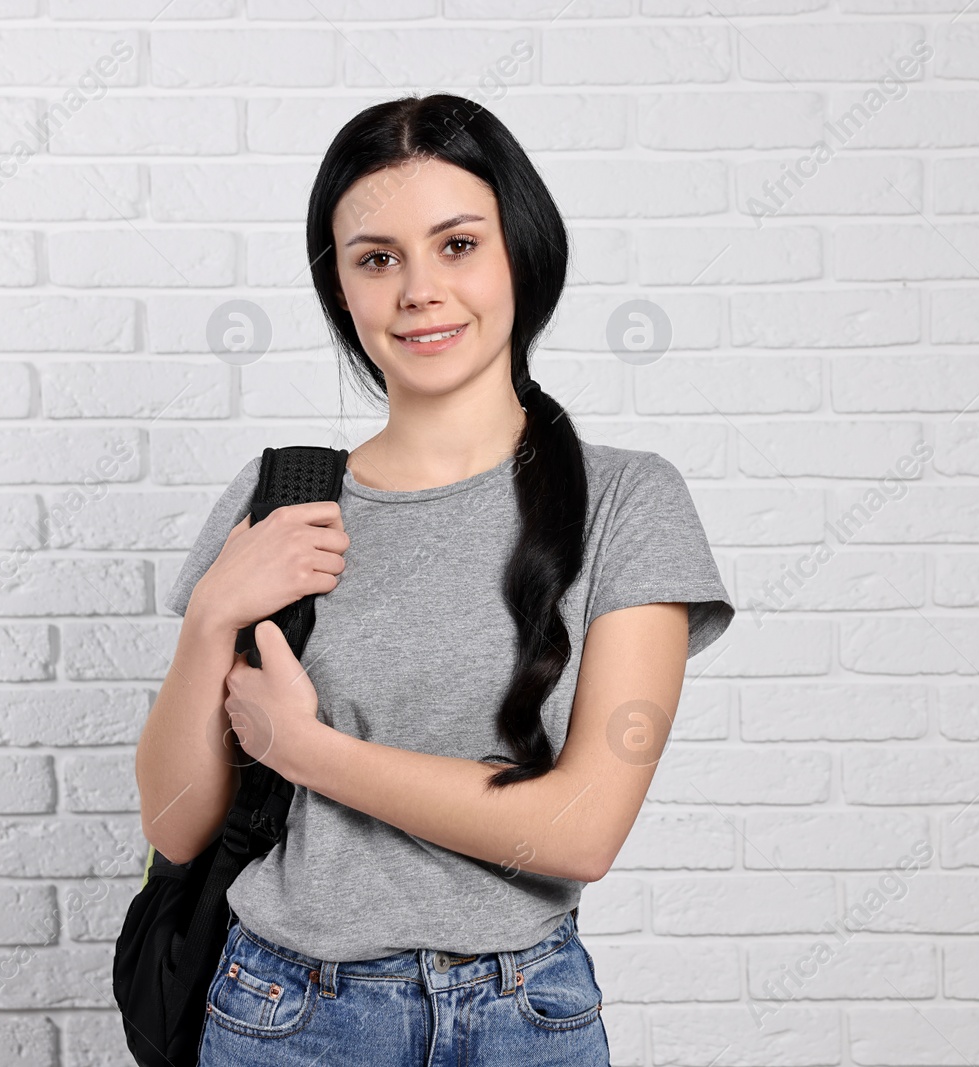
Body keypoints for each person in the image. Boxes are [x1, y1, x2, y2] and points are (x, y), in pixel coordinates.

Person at [134, 92, 735, 1067]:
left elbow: (579, 830)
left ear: (519, 254)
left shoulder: (629, 500)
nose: (418, 288)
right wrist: (211, 615)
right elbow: (174, 823)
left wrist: (307, 749)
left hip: (526, 1015)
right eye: (377, 257)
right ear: (342, 288)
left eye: (456, 244)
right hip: (286, 1012)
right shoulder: (280, 496)